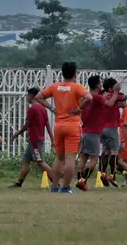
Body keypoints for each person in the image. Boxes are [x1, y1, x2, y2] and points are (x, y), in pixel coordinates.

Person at [37, 61, 91, 193]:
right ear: (74, 73)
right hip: (72, 125)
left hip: (59, 125)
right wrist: (79, 109)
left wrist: (52, 108)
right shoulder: (77, 87)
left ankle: (55, 186)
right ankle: (65, 187)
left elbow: (39, 97)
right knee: (70, 158)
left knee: (59, 157)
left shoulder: (55, 87)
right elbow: (89, 97)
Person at [75, 75, 119, 191]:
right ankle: (83, 181)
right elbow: (109, 104)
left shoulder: (86, 96)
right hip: (94, 132)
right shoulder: (97, 97)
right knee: (94, 159)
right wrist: (115, 92)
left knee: (83, 157)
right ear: (97, 85)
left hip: (84, 131)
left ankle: (79, 180)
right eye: (100, 83)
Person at [11, 87, 55, 188]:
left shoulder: (32, 109)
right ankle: (19, 183)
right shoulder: (43, 109)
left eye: (27, 95)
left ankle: (55, 182)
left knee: (40, 162)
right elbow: (47, 126)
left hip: (35, 140)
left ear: (31, 95)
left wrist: (17, 134)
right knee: (26, 161)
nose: (27, 97)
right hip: (35, 140)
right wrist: (52, 139)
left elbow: (27, 125)